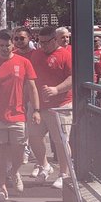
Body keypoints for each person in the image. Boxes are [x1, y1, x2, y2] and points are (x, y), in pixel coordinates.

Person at [0, 29, 40, 202]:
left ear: (13, 44)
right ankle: (2, 186)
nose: (5, 48)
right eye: (1, 45)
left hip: (18, 115)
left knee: (19, 151)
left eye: (8, 45)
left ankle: (14, 172)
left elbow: (33, 87)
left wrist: (36, 110)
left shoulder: (24, 62)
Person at [30, 25, 73, 190]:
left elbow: (72, 77)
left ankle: (64, 173)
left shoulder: (66, 55)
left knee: (61, 141)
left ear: (55, 40)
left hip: (61, 104)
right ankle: (44, 165)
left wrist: (56, 89)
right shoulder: (36, 54)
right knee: (34, 137)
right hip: (39, 105)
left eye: (46, 42)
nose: (43, 46)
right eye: (40, 42)